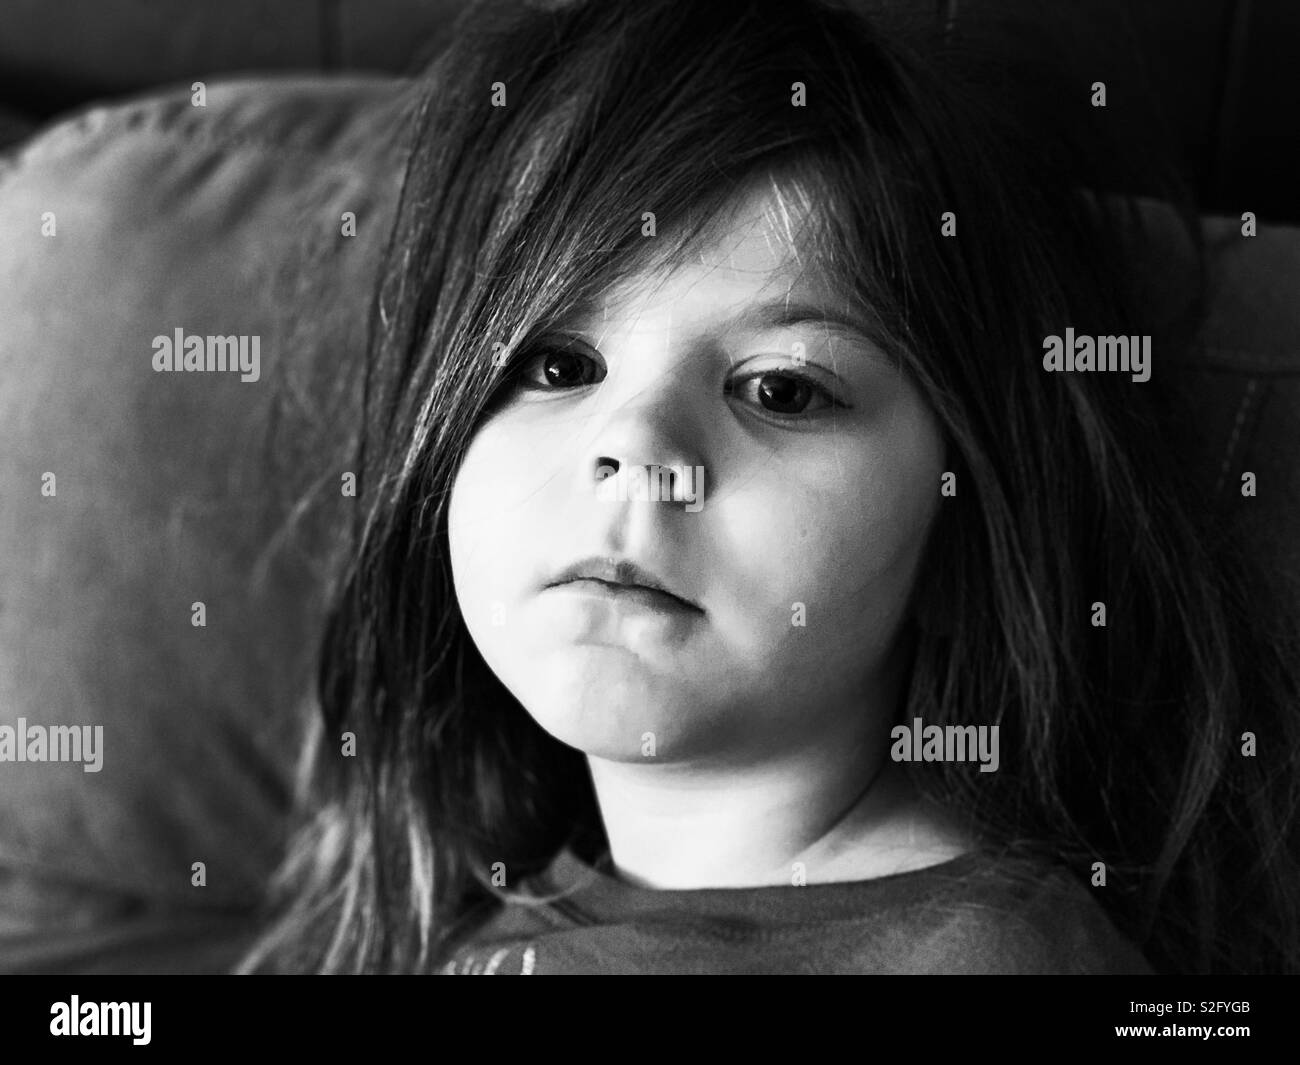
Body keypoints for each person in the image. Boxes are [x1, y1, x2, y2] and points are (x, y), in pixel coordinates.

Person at [238, 0, 1300, 974]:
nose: (639, 446)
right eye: (557, 366)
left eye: (782, 390)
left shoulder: (982, 960)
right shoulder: (464, 897)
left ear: (962, 539)